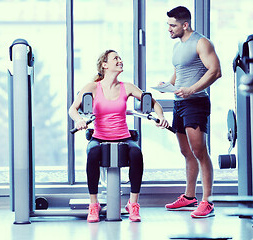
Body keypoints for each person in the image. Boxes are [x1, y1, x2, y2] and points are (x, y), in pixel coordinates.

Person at [69, 49, 170, 223]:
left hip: (123, 136)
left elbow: (154, 103)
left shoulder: (127, 87)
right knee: (92, 154)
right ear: (104, 65)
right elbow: (73, 109)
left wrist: (161, 116)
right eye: (115, 58)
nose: (120, 60)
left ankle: (133, 203)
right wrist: (78, 120)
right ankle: (94, 204)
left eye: (120, 58)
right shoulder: (92, 87)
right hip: (99, 136)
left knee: (136, 154)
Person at [162, 6, 222, 218]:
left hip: (196, 102)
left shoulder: (201, 42)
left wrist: (191, 89)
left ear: (185, 24)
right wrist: (167, 85)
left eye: (172, 25)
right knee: (186, 152)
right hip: (180, 102)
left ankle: (208, 201)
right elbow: (180, 71)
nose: (169, 29)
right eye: (168, 24)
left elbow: (216, 71)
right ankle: (189, 197)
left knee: (199, 152)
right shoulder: (178, 47)